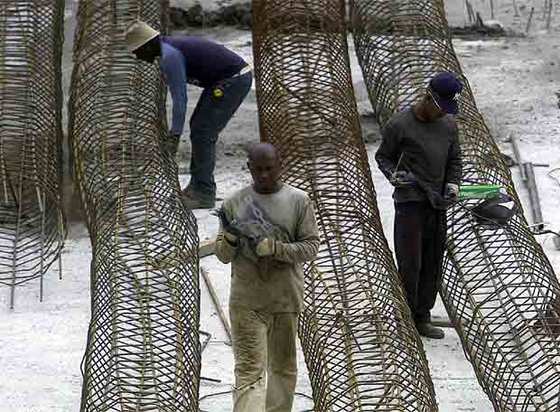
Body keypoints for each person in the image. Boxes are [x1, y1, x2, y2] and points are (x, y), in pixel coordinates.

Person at [214, 143, 320, 412]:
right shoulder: (234, 204)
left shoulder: (298, 201)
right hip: (247, 302)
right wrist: (229, 238)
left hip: (285, 300)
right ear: (249, 168)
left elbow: (310, 247)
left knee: (283, 368)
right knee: (249, 371)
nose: (263, 175)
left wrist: (276, 249)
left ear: (279, 166)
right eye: (257, 170)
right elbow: (222, 255)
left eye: (269, 169)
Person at [124, 21, 253, 209]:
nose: (137, 57)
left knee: (203, 132)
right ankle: (197, 186)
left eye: (137, 51)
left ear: (147, 45)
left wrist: (175, 134)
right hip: (223, 80)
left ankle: (204, 192)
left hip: (234, 80)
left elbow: (180, 99)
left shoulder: (169, 56)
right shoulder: (167, 49)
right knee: (199, 128)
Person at [375, 72, 463, 339]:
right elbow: (383, 157)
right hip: (410, 204)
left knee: (432, 262)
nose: (444, 114)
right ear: (429, 98)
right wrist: (395, 176)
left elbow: (454, 160)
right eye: (441, 108)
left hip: (437, 204)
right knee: (410, 263)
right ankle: (405, 318)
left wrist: (452, 185)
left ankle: (422, 316)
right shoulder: (400, 125)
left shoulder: (448, 125)